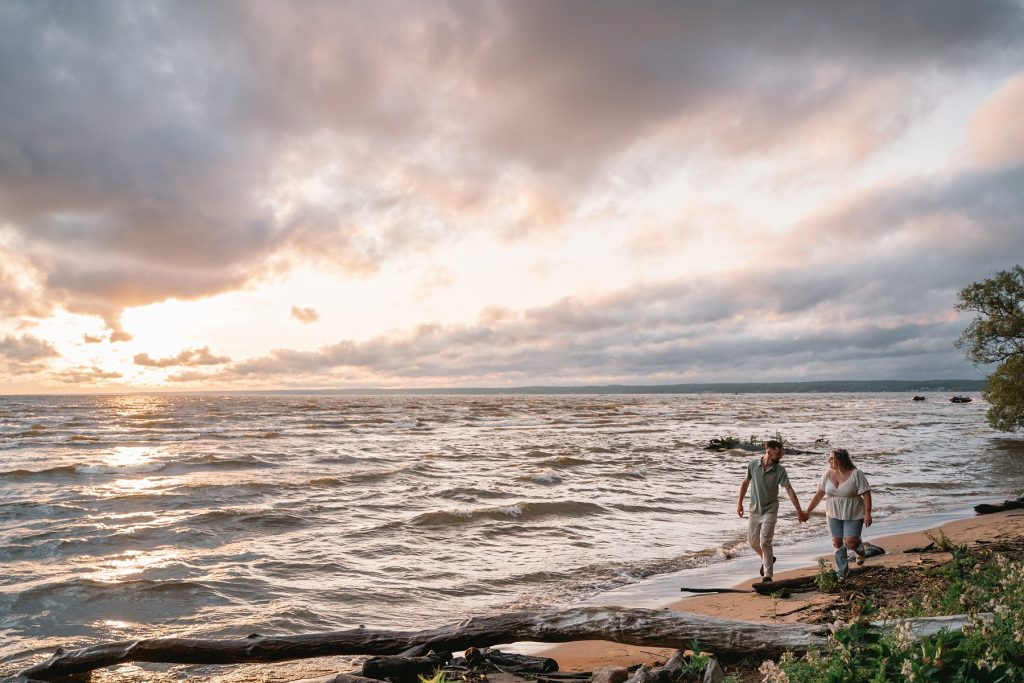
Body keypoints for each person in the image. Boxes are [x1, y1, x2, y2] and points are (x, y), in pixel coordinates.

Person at [736, 440, 807, 581]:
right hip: (755, 510)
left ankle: (768, 577)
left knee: (765, 542)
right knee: (753, 542)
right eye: (778, 453)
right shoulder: (752, 465)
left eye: (781, 453)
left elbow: (789, 490)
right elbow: (745, 483)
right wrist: (739, 503)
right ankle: (768, 559)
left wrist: (799, 510)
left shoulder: (780, 470)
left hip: (770, 510)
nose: (781, 456)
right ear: (769, 452)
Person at [805, 448, 872, 580]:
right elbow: (819, 494)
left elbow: (866, 494)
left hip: (853, 512)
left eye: (831, 458)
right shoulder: (828, 474)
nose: (828, 460)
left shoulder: (856, 474)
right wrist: (808, 511)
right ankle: (842, 572)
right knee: (837, 542)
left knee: (850, 542)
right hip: (833, 512)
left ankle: (859, 549)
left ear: (840, 460)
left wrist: (867, 513)